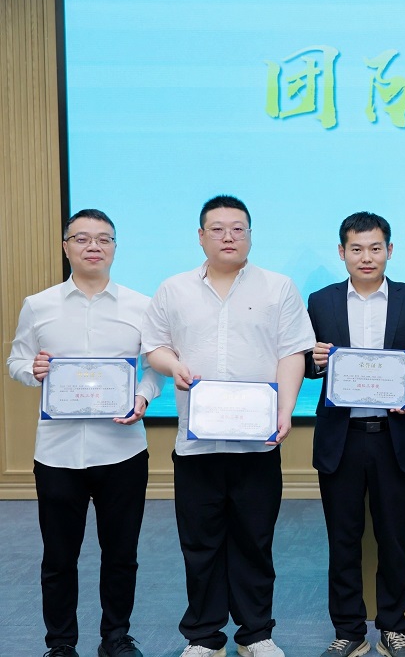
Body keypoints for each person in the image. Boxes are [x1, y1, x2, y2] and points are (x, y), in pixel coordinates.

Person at [141, 195, 315, 657]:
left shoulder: (278, 288)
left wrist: (286, 409)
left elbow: (292, 353)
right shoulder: (173, 289)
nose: (228, 237)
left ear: (250, 235)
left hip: (258, 443)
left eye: (238, 228)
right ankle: (204, 636)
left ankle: (256, 633)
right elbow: (154, 347)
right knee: (199, 543)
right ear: (201, 237)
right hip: (196, 444)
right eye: (217, 229)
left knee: (255, 541)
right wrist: (172, 365)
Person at [7, 209, 163, 657]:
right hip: (57, 454)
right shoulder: (39, 305)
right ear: (66, 246)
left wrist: (143, 397)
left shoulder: (141, 306)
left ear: (115, 247)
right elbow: (16, 361)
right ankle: (60, 644)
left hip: (122, 450)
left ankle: (116, 638)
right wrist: (33, 369)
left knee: (121, 555)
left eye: (103, 239)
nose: (93, 246)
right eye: (81, 238)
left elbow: (155, 368)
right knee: (59, 558)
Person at [306, 212, 405, 657]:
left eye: (375, 248)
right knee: (342, 539)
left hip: (394, 436)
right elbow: (306, 363)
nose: (367, 257)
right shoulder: (320, 302)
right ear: (342, 252)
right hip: (341, 438)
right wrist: (314, 361)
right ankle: (348, 630)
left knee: (393, 539)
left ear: (390, 250)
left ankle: (393, 628)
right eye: (357, 249)